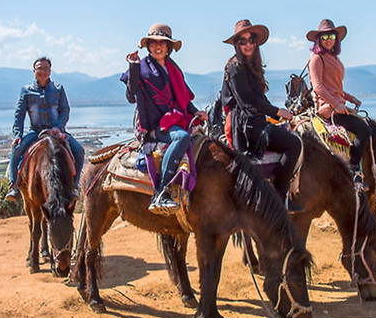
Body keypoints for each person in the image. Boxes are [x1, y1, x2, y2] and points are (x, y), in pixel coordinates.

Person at [121, 23, 208, 215]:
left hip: (175, 118)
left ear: (169, 48)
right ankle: (161, 191)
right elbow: (130, 96)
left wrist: (196, 113)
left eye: (163, 43)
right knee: (182, 138)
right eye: (153, 43)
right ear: (148, 45)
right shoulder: (141, 67)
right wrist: (133, 67)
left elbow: (182, 98)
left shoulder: (173, 68)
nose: (157, 46)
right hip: (152, 123)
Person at [221, 19, 305, 214]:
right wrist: (277, 112)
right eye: (242, 41)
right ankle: (280, 195)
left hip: (253, 120)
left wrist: (274, 116)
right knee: (294, 144)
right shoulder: (235, 68)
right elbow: (247, 102)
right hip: (244, 125)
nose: (248, 44)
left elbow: (257, 99)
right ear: (237, 44)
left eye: (251, 40)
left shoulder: (250, 65)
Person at [6, 56, 85, 201]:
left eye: (45, 68)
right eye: (39, 68)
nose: (42, 71)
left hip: (57, 131)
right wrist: (17, 135)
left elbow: (65, 110)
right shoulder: (26, 91)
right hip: (35, 132)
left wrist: (59, 127)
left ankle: (74, 185)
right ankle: (14, 186)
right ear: (34, 71)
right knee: (17, 150)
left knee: (79, 151)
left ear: (50, 71)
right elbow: (19, 115)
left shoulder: (58, 89)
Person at [307, 19, 371, 185]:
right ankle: (353, 167)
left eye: (332, 35)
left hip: (337, 105)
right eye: (325, 36)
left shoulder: (332, 59)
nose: (329, 39)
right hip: (329, 109)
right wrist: (336, 104)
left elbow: (334, 87)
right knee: (364, 130)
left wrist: (350, 98)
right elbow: (319, 88)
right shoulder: (316, 58)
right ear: (318, 39)